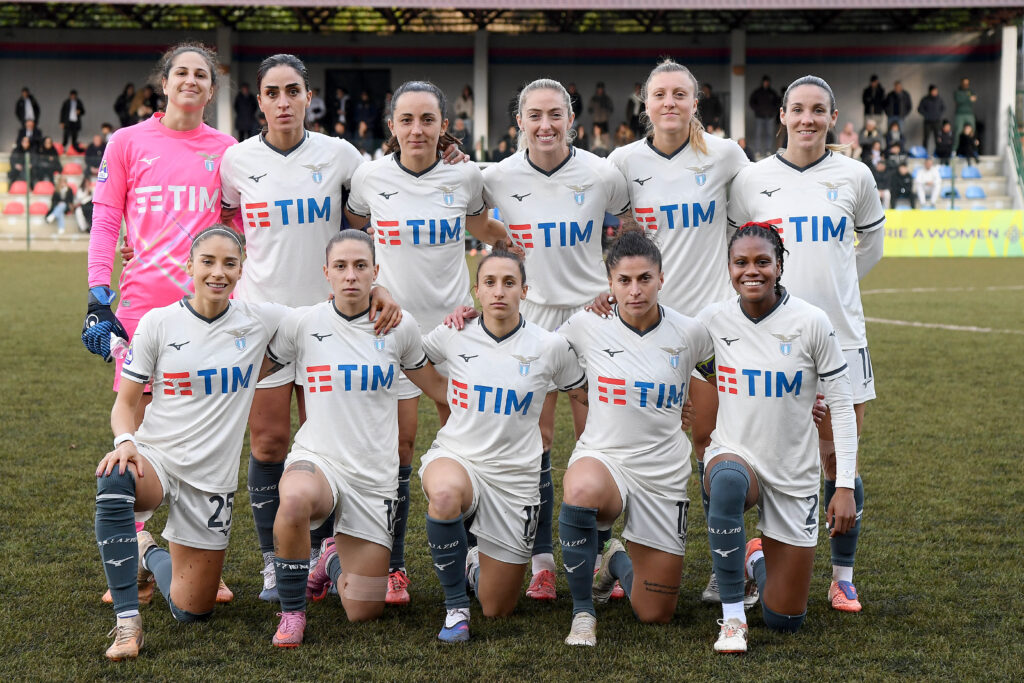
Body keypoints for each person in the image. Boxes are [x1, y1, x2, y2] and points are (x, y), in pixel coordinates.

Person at [219, 53, 401, 602]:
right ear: (259, 101)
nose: (283, 101)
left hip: (331, 321)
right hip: (264, 320)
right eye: (272, 92)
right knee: (271, 442)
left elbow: (369, 226)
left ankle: (324, 549)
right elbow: (221, 224)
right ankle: (276, 562)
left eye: (292, 91)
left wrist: (381, 282)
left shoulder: (340, 154)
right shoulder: (235, 161)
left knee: (331, 440)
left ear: (308, 97)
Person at [83, 43, 239, 604]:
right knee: (138, 437)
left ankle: (195, 556)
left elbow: (239, 226)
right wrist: (100, 293)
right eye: (182, 73)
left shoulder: (228, 151)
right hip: (141, 312)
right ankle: (145, 562)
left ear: (212, 89)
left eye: (202, 74)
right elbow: (105, 219)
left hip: (209, 316)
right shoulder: (127, 143)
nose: (191, 81)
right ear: (164, 82)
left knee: (201, 435)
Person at [728, 75, 885, 616]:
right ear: (783, 116)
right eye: (798, 109)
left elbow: (872, 247)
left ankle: (843, 577)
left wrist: (834, 290)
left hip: (842, 338)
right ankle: (761, 554)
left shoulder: (856, 175)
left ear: (833, 117)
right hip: (773, 343)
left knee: (839, 460)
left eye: (818, 110)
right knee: (768, 450)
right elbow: (740, 252)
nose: (807, 119)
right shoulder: (751, 180)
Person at [346, 80, 507, 604]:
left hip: (458, 333)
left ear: (444, 127)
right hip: (392, 332)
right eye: (407, 119)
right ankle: (395, 566)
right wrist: (375, 286)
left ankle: (477, 554)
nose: (417, 129)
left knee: (473, 444)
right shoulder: (369, 178)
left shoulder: (465, 175)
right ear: (391, 126)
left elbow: (489, 229)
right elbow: (355, 232)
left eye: (428, 120)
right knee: (401, 447)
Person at [93, 226, 287, 661]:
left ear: (241, 270)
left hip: (211, 481)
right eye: (208, 262)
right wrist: (126, 440)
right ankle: (127, 625)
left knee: (191, 610)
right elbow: (125, 403)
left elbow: (327, 318)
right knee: (115, 476)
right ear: (190, 266)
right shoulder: (158, 323)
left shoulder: (260, 321)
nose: (218, 273)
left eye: (229, 264)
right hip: (158, 459)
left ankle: (147, 553)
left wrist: (382, 293)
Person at [604, 59, 752, 606]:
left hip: (709, 331)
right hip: (645, 330)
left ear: (696, 102)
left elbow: (764, 203)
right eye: (660, 94)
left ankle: (724, 567)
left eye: (680, 94)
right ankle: (619, 554)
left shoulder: (726, 156)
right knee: (638, 442)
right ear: (645, 103)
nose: (670, 102)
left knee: (711, 445)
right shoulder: (622, 163)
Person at [482, 77, 632, 602]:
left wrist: (613, 285)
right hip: (534, 317)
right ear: (518, 122)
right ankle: (543, 560)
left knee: (599, 438)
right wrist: (500, 238)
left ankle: (602, 553)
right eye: (534, 115)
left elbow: (633, 225)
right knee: (535, 440)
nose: (545, 125)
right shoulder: (497, 176)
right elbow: (473, 217)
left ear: (572, 119)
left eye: (555, 115)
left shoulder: (601, 172)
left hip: (592, 316)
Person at [266, 230, 443, 647]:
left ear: (375, 272)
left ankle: (330, 561)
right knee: (292, 499)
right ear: (326, 273)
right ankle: (292, 613)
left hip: (373, 477)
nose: (350, 276)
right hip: (320, 460)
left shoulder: (398, 327)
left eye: (361, 266)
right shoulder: (302, 324)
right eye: (341, 267)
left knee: (363, 611)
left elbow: (436, 386)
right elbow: (249, 372)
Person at [697, 222, 858, 653]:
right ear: (729, 268)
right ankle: (732, 619)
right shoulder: (713, 319)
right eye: (741, 262)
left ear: (779, 266)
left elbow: (841, 405)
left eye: (762, 262)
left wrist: (843, 486)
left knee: (785, 619)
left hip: (793, 472)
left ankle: (754, 557)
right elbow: (661, 338)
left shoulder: (812, 322)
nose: (752, 271)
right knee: (727, 482)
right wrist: (610, 303)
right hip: (735, 455)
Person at [555, 231, 714, 646]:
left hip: (662, 473)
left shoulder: (691, 333)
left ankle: (614, 561)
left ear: (662, 278)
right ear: (609, 283)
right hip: (605, 459)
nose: (635, 289)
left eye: (644, 278)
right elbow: (532, 348)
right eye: (624, 280)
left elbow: (726, 379)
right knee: (581, 488)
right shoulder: (586, 324)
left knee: (654, 612)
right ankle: (583, 613)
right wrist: (469, 321)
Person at [418, 249, 586, 642]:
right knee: (443, 496)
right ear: (476, 291)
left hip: (514, 481)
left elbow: (586, 394)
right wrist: (441, 392)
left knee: (497, 608)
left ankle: (474, 563)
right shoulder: (454, 333)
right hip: (458, 458)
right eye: (489, 282)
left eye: (509, 282)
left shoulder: (549, 346)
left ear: (524, 290)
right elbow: (411, 357)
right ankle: (455, 607)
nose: (499, 291)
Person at [749, 75, 780, 158]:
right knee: (758, 134)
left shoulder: (772, 93)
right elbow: (752, 102)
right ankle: (757, 151)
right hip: (759, 116)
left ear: (769, 83)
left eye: (767, 82)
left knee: (769, 134)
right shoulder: (757, 92)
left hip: (769, 117)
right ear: (762, 82)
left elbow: (777, 103)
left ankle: (768, 150)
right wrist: (757, 110)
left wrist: (773, 111)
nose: (766, 83)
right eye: (765, 82)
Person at [917, 85, 945, 153]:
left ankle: (938, 152)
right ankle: (924, 152)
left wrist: (938, 115)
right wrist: (926, 115)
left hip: (937, 121)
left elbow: (943, 108)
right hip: (928, 122)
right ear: (930, 91)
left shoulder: (939, 99)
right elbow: (920, 109)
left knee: (938, 138)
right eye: (933, 91)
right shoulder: (925, 99)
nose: (935, 92)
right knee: (926, 138)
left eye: (936, 91)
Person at [952, 78, 977, 146]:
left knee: (972, 130)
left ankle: (973, 148)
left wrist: (964, 98)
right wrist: (968, 98)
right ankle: (955, 149)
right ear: (961, 83)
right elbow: (958, 100)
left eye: (967, 83)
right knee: (958, 131)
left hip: (969, 113)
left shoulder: (970, 91)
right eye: (964, 83)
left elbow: (974, 98)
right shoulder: (958, 92)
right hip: (960, 114)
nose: (966, 85)